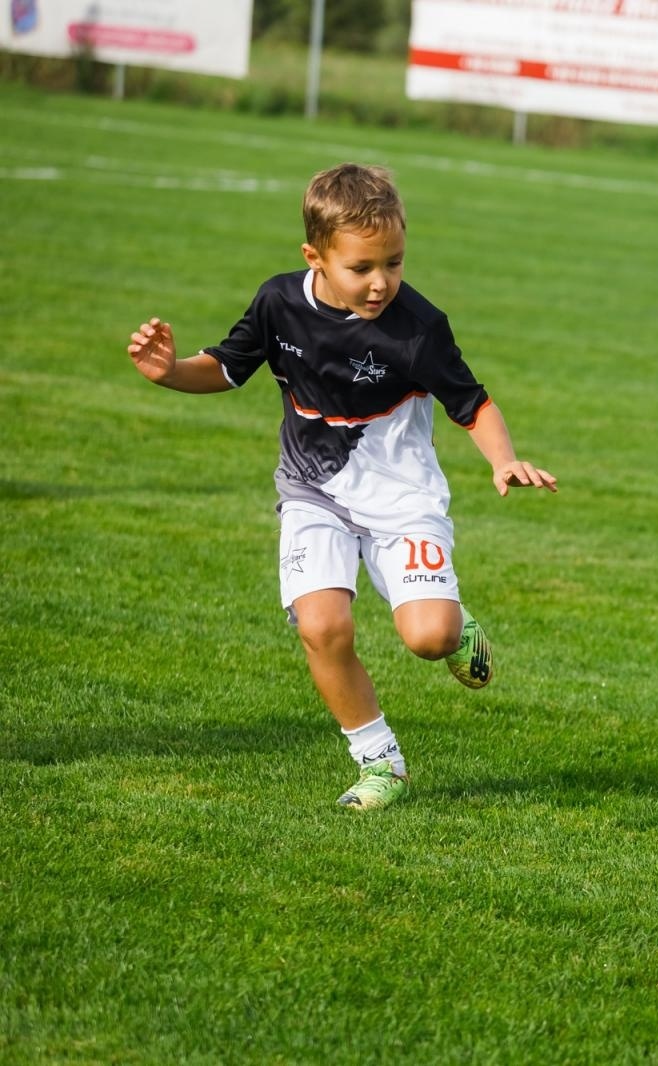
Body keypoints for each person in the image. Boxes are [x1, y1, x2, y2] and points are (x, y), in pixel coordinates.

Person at [125, 163, 556, 812]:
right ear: (315, 257)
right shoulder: (278, 304)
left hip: (404, 502)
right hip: (312, 492)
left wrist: (503, 460)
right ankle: (381, 764)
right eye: (362, 267)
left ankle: (454, 625)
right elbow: (226, 368)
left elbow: (472, 403)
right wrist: (169, 372)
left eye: (394, 263)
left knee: (429, 638)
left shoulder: (418, 327)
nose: (381, 282)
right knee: (322, 626)